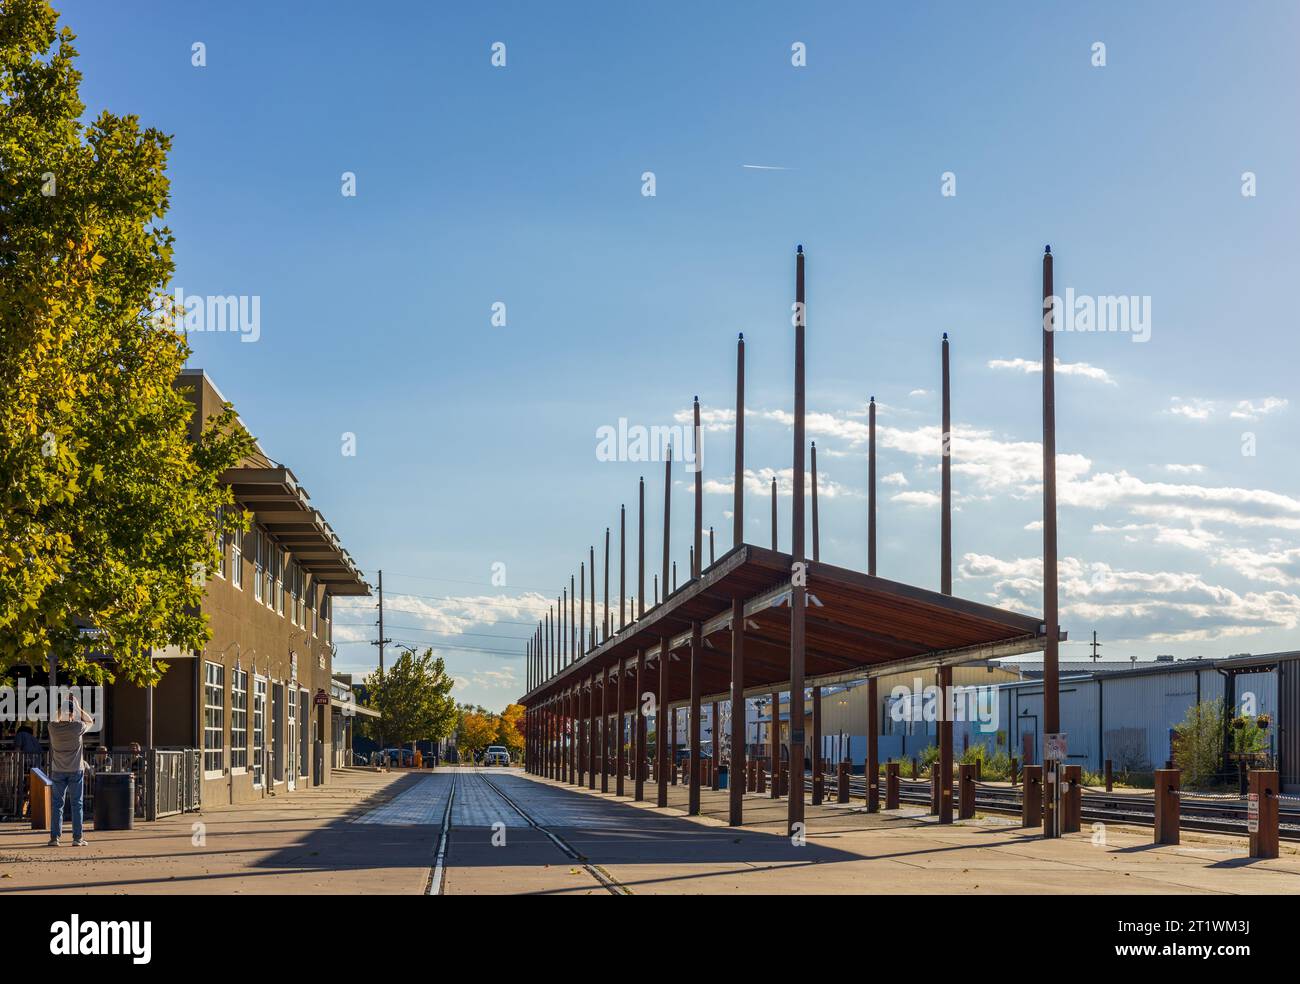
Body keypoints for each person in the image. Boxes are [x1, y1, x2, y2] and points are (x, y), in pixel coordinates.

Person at [47, 696, 95, 847]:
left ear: (61, 713)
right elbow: (90, 721)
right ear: (73, 714)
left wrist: (62, 707)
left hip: (58, 770)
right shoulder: (77, 727)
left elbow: (53, 718)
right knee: (77, 804)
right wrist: (79, 707)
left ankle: (55, 838)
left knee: (57, 805)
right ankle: (77, 838)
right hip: (75, 770)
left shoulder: (53, 728)